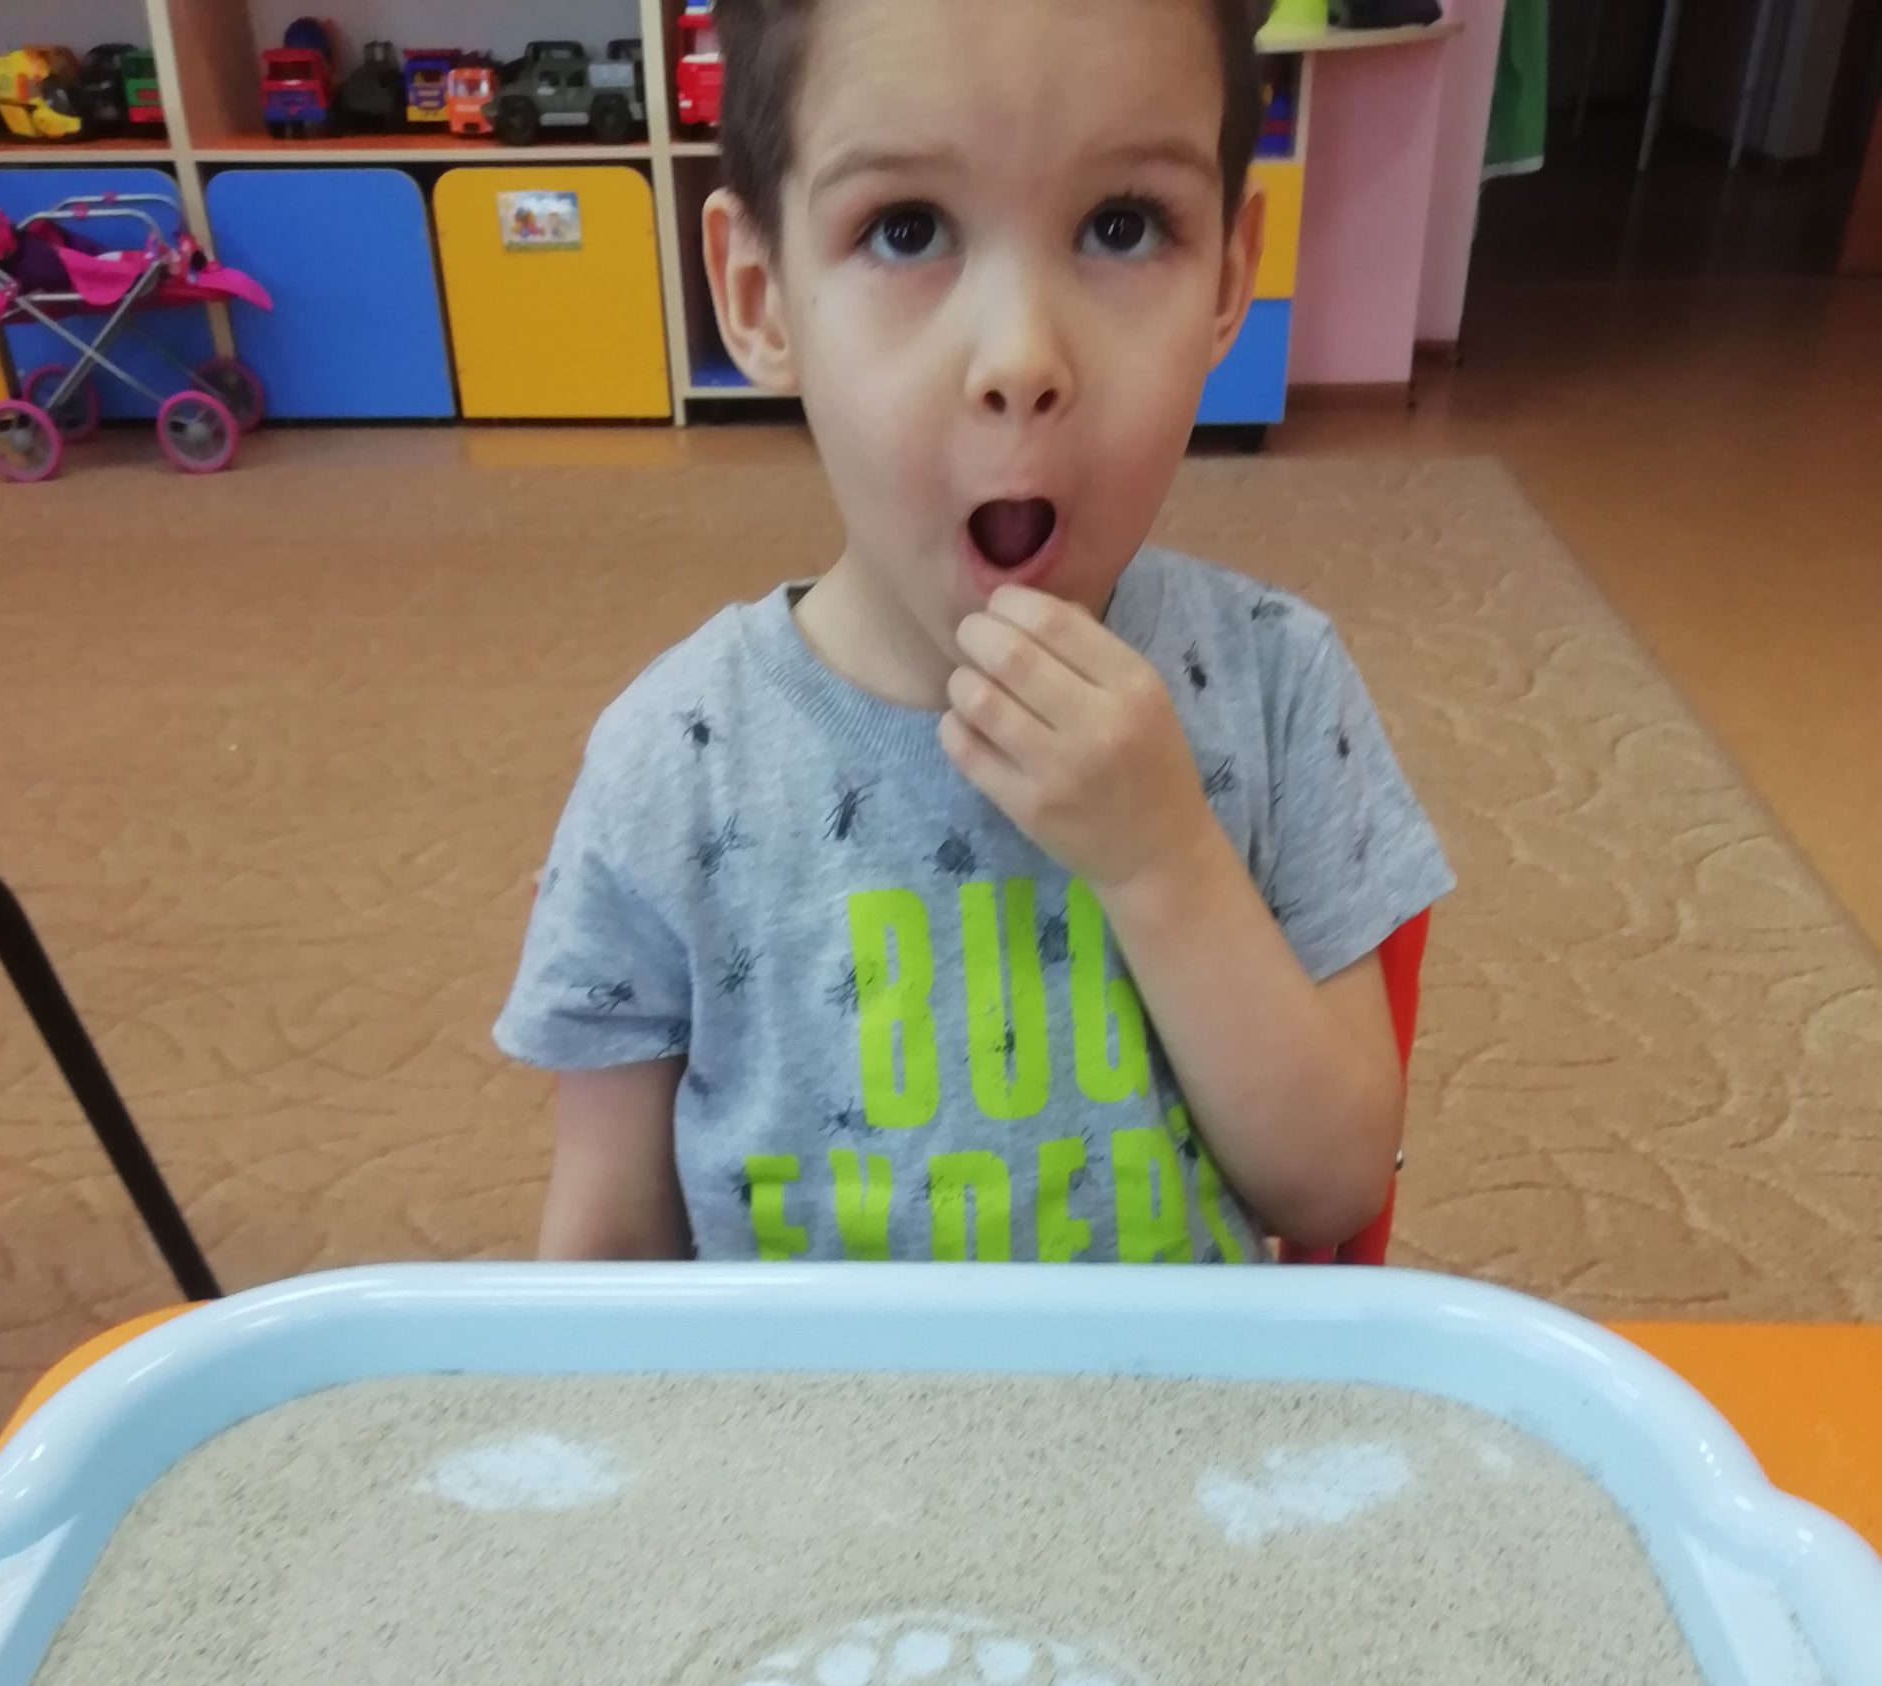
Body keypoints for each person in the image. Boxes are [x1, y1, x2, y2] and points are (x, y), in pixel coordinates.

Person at [496, 0, 1453, 1266]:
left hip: (1172, 1396)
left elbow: (1331, 1188)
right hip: (801, 1406)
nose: (1020, 358)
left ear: (1229, 279)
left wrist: (1164, 861)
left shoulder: (1276, 686)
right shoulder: (671, 767)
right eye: (906, 229)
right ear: (760, 297)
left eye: (1122, 225)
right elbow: (604, 1269)